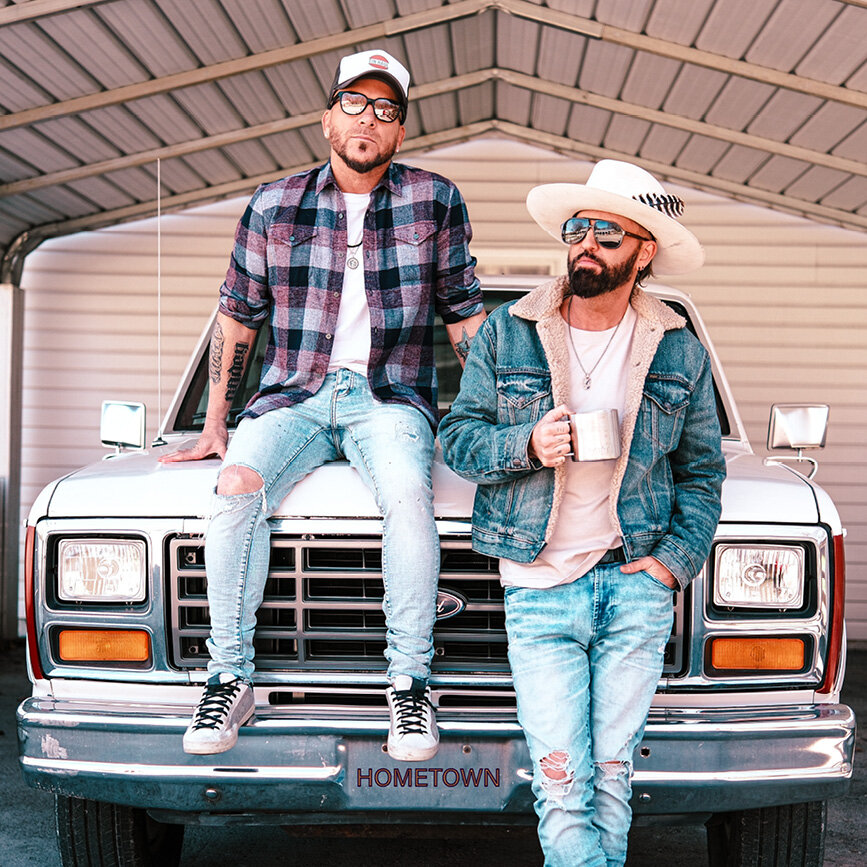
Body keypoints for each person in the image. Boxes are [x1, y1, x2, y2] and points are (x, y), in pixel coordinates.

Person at [161, 48, 485, 762]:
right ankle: (228, 677)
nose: (369, 118)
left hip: (388, 396)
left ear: (400, 130)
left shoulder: (434, 199)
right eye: (354, 103)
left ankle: (408, 684)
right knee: (235, 483)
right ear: (327, 119)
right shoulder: (273, 203)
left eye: (386, 109)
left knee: (409, 494)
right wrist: (214, 423)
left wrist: (495, 411)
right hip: (294, 394)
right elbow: (238, 316)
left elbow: (463, 312)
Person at [439, 160, 725, 866]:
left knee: (612, 778)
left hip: (634, 582)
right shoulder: (507, 332)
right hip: (538, 585)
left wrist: (671, 565)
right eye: (577, 228)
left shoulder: (679, 349)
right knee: (563, 782)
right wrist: (526, 444)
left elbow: (701, 473)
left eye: (606, 231)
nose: (586, 243)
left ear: (643, 251)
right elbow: (459, 438)